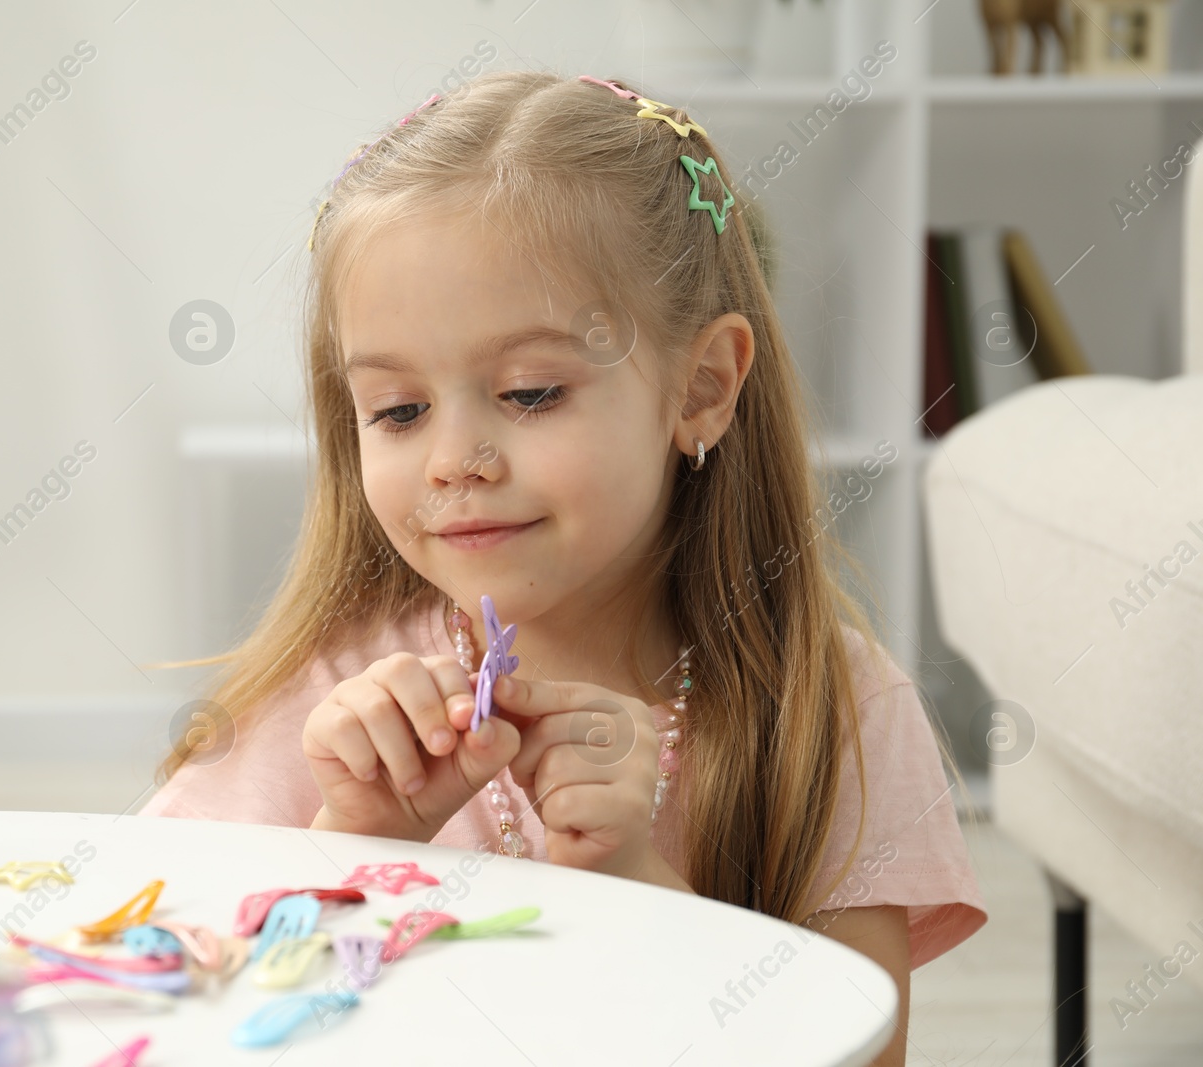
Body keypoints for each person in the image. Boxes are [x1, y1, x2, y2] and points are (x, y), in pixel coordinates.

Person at [141, 70, 985, 1061]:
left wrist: (632, 873)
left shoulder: (833, 710)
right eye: (400, 410)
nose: (455, 458)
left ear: (702, 388)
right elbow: (192, 1015)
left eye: (532, 392)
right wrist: (353, 841)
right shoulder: (323, 710)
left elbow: (858, 1052)